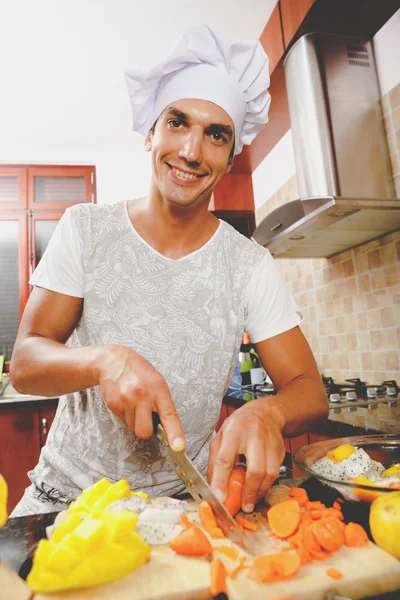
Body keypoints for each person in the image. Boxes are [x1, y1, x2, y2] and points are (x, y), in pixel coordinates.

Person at [10, 24, 328, 517]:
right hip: (66, 502)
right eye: (177, 122)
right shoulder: (85, 230)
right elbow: (26, 366)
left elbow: (309, 387)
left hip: (183, 509)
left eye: (215, 135)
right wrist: (103, 361)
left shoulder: (249, 264)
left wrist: (270, 409)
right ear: (149, 133)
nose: (191, 151)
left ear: (229, 157)